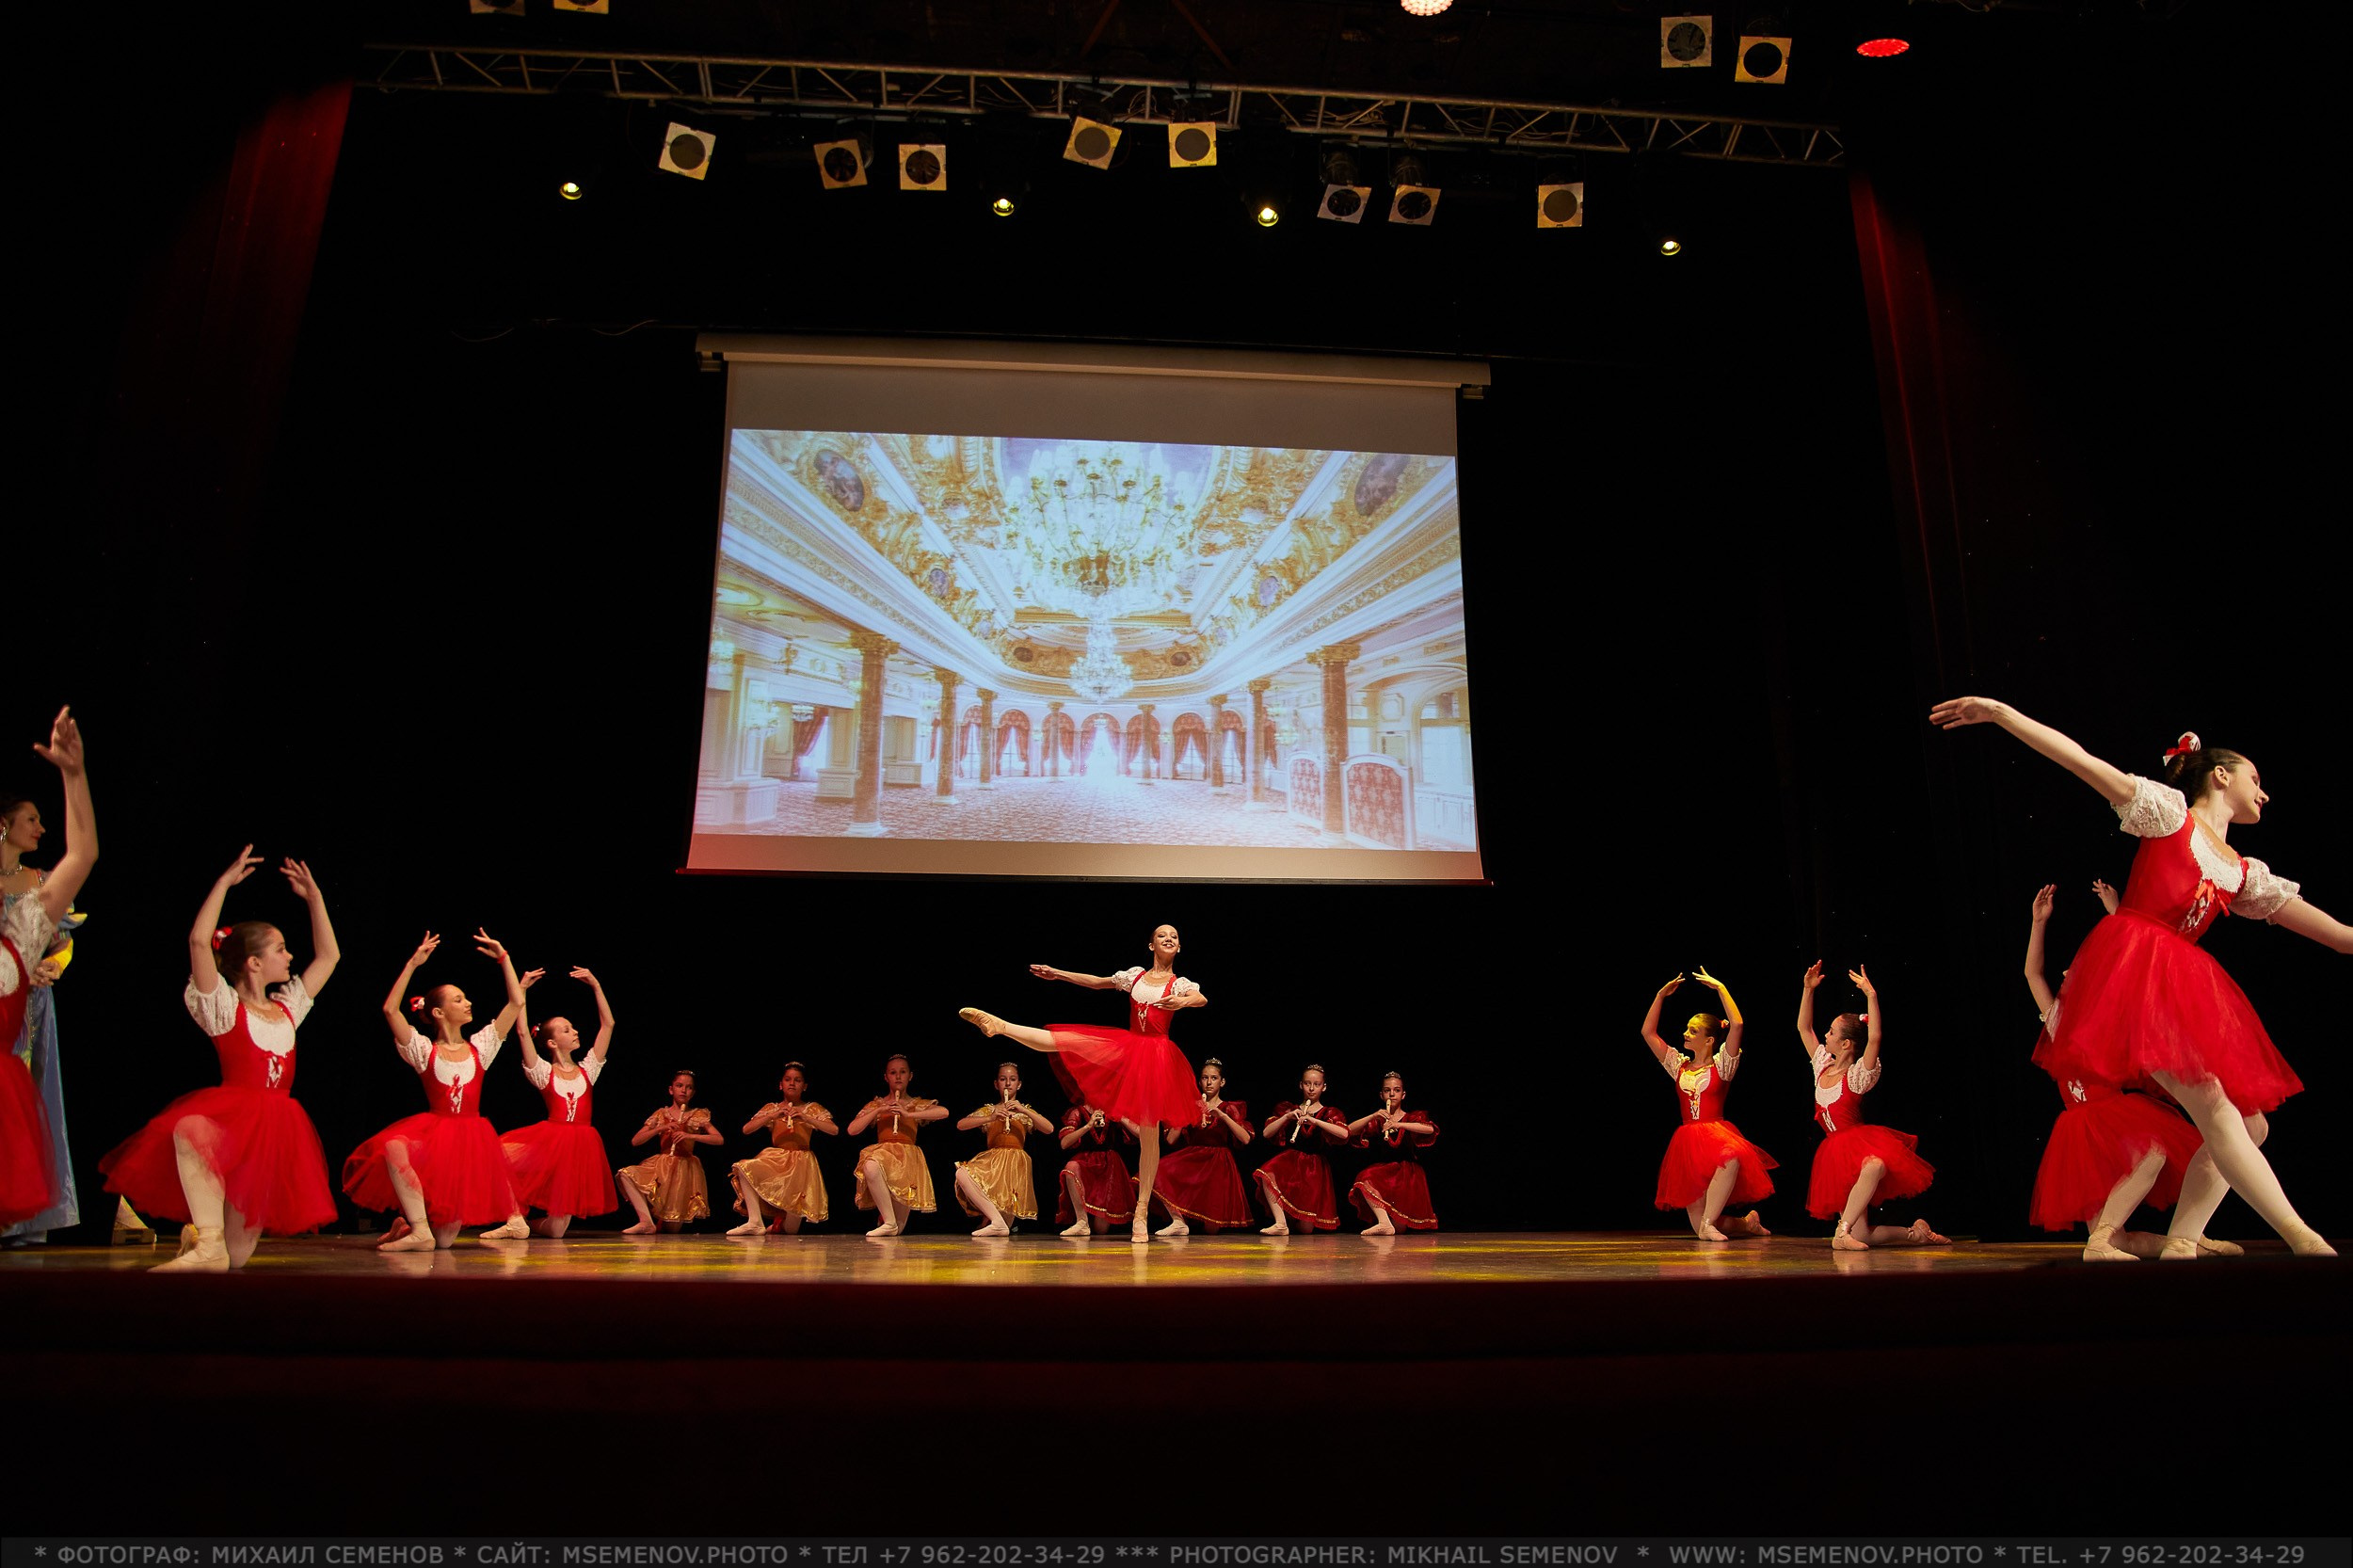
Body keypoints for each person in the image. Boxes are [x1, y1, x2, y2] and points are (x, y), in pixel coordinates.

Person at [1932, 700, 2347, 1257]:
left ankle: (2183, 1238)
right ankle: (2302, 1237)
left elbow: (2342, 937)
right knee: (2219, 1109)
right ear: (2221, 775)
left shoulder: (2246, 874)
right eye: (2256, 779)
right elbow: (2080, 760)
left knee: (2251, 1126)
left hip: (2179, 981)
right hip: (2138, 973)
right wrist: (2004, 716)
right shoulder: (2170, 813)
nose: (2265, 793)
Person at [100, 846, 341, 1271]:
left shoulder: (288, 1008)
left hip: (274, 1133)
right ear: (252, 963)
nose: (289, 956)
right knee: (190, 1127)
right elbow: (197, 941)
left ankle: (204, 1237)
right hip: (232, 1120)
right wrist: (223, 884)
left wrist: (316, 898)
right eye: (280, 949)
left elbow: (330, 957)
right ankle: (207, 1239)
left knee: (239, 1258)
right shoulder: (224, 1009)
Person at [958, 923, 1205, 1242]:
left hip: (1157, 1057)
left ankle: (1142, 1212)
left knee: (1150, 1135)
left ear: (1179, 947)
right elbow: (1097, 982)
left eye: (1174, 937)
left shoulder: (1180, 983)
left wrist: (1181, 1002)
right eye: (1162, 936)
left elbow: (1200, 998)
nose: (1169, 939)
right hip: (1129, 1048)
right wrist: (1058, 973)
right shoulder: (1135, 977)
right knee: (1067, 1040)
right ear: (1151, 945)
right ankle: (1000, 1025)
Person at [2022, 883, 2201, 1261]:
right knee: (2121, 1230)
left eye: (2075, 973)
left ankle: (2190, 1244)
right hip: (2080, 1129)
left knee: (2153, 1154)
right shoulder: (2059, 1023)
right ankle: (2103, 1242)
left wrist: (2118, 916)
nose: (2067, 973)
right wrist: (2038, 924)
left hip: (2111, 1117)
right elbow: (2032, 974)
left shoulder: (2108, 1022)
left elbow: (2129, 965)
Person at [341, 930, 533, 1250]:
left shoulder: (481, 1048)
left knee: (445, 1241)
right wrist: (413, 964)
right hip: (435, 1133)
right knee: (393, 1145)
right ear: (439, 1013)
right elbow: (390, 1010)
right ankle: (417, 1228)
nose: (468, 1002)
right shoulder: (423, 1050)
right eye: (458, 999)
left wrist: (504, 958)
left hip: (470, 1140)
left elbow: (517, 1002)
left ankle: (409, 1222)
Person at [0, 711, 95, 1229]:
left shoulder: (22, 927)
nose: (37, 829)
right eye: (28, 820)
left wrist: (74, 777)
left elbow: (82, 855)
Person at [1796, 963, 1947, 1251]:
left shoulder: (1856, 1077)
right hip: (1833, 1155)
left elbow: (1875, 1038)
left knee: (1876, 1164)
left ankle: (1841, 1232)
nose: (1825, 1036)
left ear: (1846, 1044)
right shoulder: (1822, 1067)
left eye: (1831, 1032)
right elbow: (1804, 1027)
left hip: (1857, 1144)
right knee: (1863, 1235)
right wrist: (1807, 990)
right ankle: (1917, 1234)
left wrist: (1871, 996)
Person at [1640, 968, 1774, 1241]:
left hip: (1716, 1134)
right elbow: (1647, 1032)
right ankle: (1748, 1223)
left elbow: (1737, 1025)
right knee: (1698, 1228)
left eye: (1693, 1031)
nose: (1685, 1034)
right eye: (1687, 1029)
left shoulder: (1723, 1066)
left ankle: (1712, 1223)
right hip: (1687, 1143)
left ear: (1710, 1040)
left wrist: (1721, 988)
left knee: (1733, 1156)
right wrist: (1659, 996)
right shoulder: (1678, 1065)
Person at [501, 967, 619, 1239]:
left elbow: (608, 1025)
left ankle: (525, 1227)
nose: (576, 1031)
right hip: (550, 1141)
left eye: (573, 1027)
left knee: (556, 1230)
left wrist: (596, 986)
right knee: (499, 1154)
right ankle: (514, 1218)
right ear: (553, 1042)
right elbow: (521, 1034)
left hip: (580, 1148)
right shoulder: (543, 1073)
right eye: (567, 1030)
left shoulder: (588, 1070)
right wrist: (521, 991)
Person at [1149, 1057, 1254, 1237]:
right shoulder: (1192, 1106)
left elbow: (1245, 1139)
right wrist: (1186, 1113)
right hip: (1194, 1159)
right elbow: (1171, 1140)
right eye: (1205, 1078)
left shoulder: (1229, 1108)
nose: (1209, 1082)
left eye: (1213, 1078)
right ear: (1199, 1081)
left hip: (1218, 1163)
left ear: (1222, 1082)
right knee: (1157, 1170)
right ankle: (1178, 1221)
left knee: (1211, 1229)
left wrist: (1223, 1116)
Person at [843, 1054, 947, 1237]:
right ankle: (888, 1221)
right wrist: (878, 1110)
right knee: (870, 1165)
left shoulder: (915, 1104)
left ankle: (889, 1224)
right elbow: (852, 1129)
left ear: (910, 1076)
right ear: (886, 1077)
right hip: (884, 1153)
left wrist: (908, 1115)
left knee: (898, 1229)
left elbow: (944, 1112)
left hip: (907, 1162)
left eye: (902, 1072)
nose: (898, 1076)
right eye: (893, 1072)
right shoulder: (878, 1104)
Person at [728, 1062, 835, 1237]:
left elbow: (834, 1130)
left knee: (791, 1230)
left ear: (804, 1086)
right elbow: (746, 1129)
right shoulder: (772, 1108)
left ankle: (776, 1226)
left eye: (797, 1080)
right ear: (781, 1084)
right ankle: (755, 1222)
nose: (792, 1083)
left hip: (801, 1163)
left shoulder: (811, 1108)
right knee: (743, 1168)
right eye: (788, 1079)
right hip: (778, 1158)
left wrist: (806, 1118)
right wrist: (772, 1116)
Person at [952, 1061, 1054, 1238]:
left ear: (1019, 1084)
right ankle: (995, 1221)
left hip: (1015, 1165)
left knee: (1002, 1230)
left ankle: (996, 1224)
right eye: (1003, 1079)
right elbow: (961, 1125)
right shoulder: (990, 1110)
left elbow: (1049, 1129)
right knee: (962, 1173)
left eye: (1012, 1079)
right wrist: (991, 1117)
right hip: (993, 1163)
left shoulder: (1024, 1111)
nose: (1007, 1083)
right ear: (996, 1084)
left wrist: (1023, 1110)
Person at [618, 1070, 721, 1233]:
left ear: (693, 1092)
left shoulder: (697, 1114)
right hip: (662, 1167)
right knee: (625, 1174)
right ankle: (645, 1221)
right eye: (679, 1086)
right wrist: (661, 1127)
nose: (683, 1090)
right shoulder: (661, 1113)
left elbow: (718, 1139)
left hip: (684, 1171)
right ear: (671, 1089)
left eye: (688, 1087)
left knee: (670, 1230)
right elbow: (636, 1140)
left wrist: (690, 1135)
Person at [1256, 1065, 1349, 1235]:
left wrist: (1316, 1122)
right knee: (1267, 1174)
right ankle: (1280, 1223)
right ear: (1301, 1085)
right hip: (1292, 1162)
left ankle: (1289, 1223)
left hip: (1315, 1168)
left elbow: (1344, 1134)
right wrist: (1287, 1116)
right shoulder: (1290, 1109)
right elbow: (1266, 1133)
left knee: (1305, 1229)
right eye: (1307, 1084)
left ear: (1324, 1087)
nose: (1311, 1088)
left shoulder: (1328, 1112)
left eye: (1317, 1084)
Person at [1346, 1071, 1440, 1237]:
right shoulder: (1379, 1119)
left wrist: (1400, 1125)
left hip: (1408, 1174)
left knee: (1400, 1229)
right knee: (1365, 1177)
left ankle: (1388, 1225)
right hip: (1386, 1173)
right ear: (1381, 1095)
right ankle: (1383, 1223)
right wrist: (1373, 1115)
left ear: (1403, 1095)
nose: (1391, 1094)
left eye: (1396, 1090)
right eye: (1387, 1090)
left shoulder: (1412, 1117)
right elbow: (1348, 1130)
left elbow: (1430, 1129)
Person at [1053, 1099, 1137, 1238]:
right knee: (1071, 1167)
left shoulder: (1112, 1110)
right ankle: (1082, 1221)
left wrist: (1119, 1115)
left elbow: (1140, 1134)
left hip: (1109, 1166)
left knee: (1101, 1229)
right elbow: (1064, 1143)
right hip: (1086, 1163)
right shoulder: (1078, 1111)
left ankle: (1089, 1221)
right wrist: (1088, 1126)